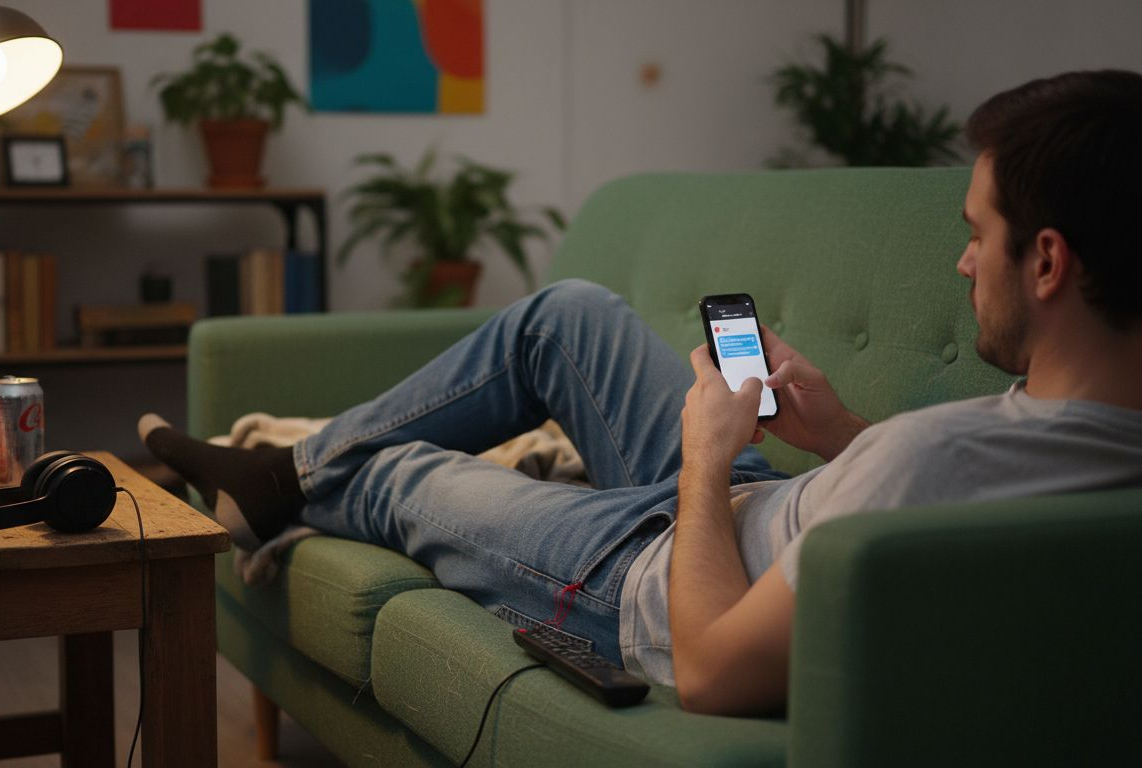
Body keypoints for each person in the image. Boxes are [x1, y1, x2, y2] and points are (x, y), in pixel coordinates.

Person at [140, 70, 1142, 716]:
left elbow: (710, 670)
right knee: (564, 314)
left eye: (976, 234)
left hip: (659, 579)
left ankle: (282, 480)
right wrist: (839, 431)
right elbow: (934, 505)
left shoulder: (936, 464)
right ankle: (284, 473)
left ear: (1048, 261)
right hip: (756, 515)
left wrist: (703, 460)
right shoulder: (1090, 440)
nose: (965, 265)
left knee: (403, 470)